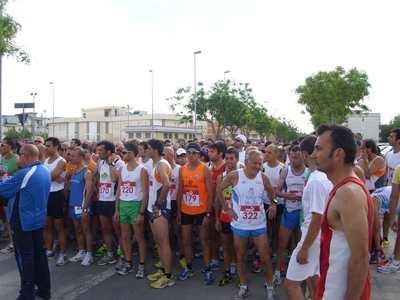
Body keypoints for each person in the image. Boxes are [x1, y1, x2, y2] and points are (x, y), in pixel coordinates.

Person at [312, 123, 373, 300]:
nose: (313, 155)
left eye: (319, 149)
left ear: (338, 154)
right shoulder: (344, 187)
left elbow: (361, 256)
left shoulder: (347, 193)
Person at [217, 150, 277, 300]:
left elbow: (271, 191)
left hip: (258, 224)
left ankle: (270, 289)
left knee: (265, 258)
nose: (257, 166)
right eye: (254, 163)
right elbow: (219, 189)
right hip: (240, 225)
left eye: (259, 163)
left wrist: (274, 203)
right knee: (241, 257)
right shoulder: (235, 175)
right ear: (248, 161)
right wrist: (226, 208)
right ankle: (243, 287)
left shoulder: (263, 177)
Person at [0, 144, 51, 300]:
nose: (18, 157)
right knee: (39, 254)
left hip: (23, 220)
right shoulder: (44, 170)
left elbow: (3, 190)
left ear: (26, 156)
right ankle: (44, 289)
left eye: (20, 154)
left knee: (24, 256)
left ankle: (26, 294)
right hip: (37, 219)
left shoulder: (26, 173)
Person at [284, 135, 332, 300]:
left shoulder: (317, 180)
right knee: (314, 279)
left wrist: (305, 247)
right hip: (318, 239)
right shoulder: (320, 177)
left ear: (305, 154)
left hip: (313, 240)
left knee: (291, 285)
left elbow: (317, 218)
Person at [176, 142, 214, 285]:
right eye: (188, 153)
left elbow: (211, 192)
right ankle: (189, 267)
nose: (190, 155)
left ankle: (208, 268)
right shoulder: (182, 169)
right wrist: (179, 211)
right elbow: (180, 190)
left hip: (201, 210)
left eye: (193, 153)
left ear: (199, 154)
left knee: (204, 240)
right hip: (186, 210)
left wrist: (208, 213)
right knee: (186, 240)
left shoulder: (204, 169)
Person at [273, 145, 308, 285]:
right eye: (291, 157)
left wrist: (305, 197)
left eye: (296, 157)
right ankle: (276, 273)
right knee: (282, 243)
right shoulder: (286, 171)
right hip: (289, 211)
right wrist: (285, 195)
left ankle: (301, 275)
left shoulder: (309, 172)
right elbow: (277, 191)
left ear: (303, 157)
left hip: (303, 213)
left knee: (300, 244)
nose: (293, 160)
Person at [114, 142, 149, 277]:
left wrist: (141, 212)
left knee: (139, 237)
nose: (121, 154)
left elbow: (145, 192)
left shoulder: (142, 170)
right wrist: (116, 210)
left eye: (124, 152)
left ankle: (142, 264)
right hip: (124, 204)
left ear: (132, 154)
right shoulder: (122, 169)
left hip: (136, 204)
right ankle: (129, 262)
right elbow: (119, 190)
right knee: (125, 236)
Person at [145, 139, 174, 288]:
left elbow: (167, 185)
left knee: (163, 242)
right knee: (158, 241)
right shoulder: (154, 164)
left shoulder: (162, 164)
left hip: (160, 208)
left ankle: (168, 276)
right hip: (153, 208)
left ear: (155, 151)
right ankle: (163, 270)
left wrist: (158, 203)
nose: (146, 150)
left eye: (148, 148)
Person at [95, 140, 125, 265]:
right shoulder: (100, 162)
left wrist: (112, 163)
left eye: (101, 150)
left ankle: (122, 254)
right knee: (106, 229)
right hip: (103, 199)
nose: (98, 152)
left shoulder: (119, 163)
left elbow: (114, 178)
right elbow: (94, 176)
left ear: (108, 151)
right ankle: (109, 254)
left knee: (118, 230)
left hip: (114, 201)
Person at [214, 147, 239, 287]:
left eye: (231, 159)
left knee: (237, 245)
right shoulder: (221, 177)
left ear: (237, 159)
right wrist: (217, 218)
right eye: (227, 158)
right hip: (224, 216)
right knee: (226, 245)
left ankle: (235, 264)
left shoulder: (241, 175)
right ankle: (228, 270)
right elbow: (218, 198)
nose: (229, 161)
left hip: (237, 217)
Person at [67, 147, 94, 267]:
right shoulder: (74, 171)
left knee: (86, 230)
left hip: (82, 206)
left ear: (81, 158)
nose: (70, 158)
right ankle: (81, 251)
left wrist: (85, 208)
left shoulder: (87, 172)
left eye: (73, 156)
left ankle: (89, 254)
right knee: (77, 230)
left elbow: (89, 192)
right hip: (74, 205)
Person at [43, 137, 68, 266]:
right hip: (46, 194)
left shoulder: (61, 161)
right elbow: (47, 177)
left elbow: (49, 176)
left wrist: (50, 177)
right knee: (47, 225)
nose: (46, 148)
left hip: (56, 195)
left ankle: (63, 254)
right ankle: (49, 250)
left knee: (59, 226)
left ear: (56, 147)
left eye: (48, 146)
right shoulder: (46, 160)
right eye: (45, 146)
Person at [377, 165, 400, 273]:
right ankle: (395, 258)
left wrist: (392, 218)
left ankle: (396, 262)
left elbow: (394, 195)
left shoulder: (399, 168)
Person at [0, 138, 20, 254]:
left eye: (3, 145)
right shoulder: (3, 159)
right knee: (8, 218)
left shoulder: (17, 159)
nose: (1, 147)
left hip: (15, 193)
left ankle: (17, 241)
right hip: (5, 193)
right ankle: (12, 243)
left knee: (15, 217)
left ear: (9, 147)